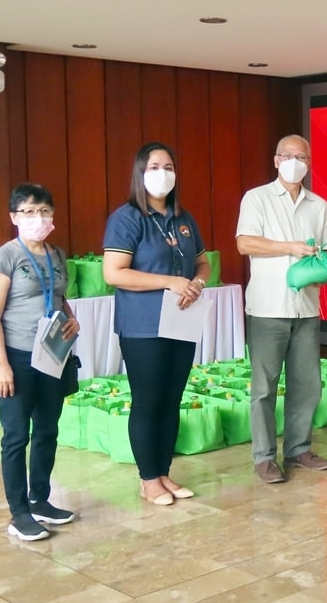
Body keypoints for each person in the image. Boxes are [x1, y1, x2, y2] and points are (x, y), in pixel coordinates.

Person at [103, 142, 210, 505]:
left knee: (172, 399)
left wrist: (195, 284)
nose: (162, 173)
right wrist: (168, 282)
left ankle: (164, 471)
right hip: (143, 326)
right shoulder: (127, 218)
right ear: (140, 173)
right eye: (153, 167)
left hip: (180, 322)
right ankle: (148, 478)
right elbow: (114, 273)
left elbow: (203, 264)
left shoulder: (184, 218)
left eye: (168, 166)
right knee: (148, 402)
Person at [236, 134, 327, 483]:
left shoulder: (319, 206)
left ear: (309, 162)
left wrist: (323, 272)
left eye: (302, 157)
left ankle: (298, 449)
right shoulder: (257, 198)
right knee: (264, 386)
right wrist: (289, 248)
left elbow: (325, 253)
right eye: (288, 156)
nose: (295, 162)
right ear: (276, 160)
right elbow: (245, 243)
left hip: (307, 307)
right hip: (267, 307)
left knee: (307, 384)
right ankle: (264, 457)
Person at [0, 183, 80, 541]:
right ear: (14, 217)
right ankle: (19, 513)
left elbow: (56, 296)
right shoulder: (5, 256)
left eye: (44, 211)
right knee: (15, 436)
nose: (38, 218)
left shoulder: (56, 254)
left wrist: (71, 316)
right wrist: (0, 364)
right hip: (18, 356)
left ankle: (40, 499)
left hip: (52, 353)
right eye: (28, 211)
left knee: (47, 430)